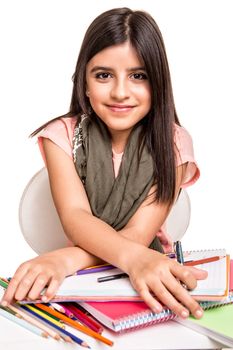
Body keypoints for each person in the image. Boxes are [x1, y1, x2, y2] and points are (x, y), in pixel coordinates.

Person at [1, 7, 207, 319]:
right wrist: (69, 265)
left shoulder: (175, 143)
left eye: (138, 76)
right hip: (81, 286)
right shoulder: (61, 137)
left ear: (158, 84)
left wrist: (66, 259)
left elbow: (138, 235)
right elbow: (76, 217)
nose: (120, 92)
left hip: (150, 272)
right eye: (103, 75)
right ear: (83, 81)